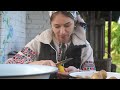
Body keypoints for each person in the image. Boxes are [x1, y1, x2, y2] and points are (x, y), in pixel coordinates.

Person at [5, 11, 96, 79]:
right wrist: (37, 64)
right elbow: (10, 64)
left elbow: (93, 75)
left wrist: (77, 73)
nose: (62, 32)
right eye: (57, 26)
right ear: (51, 25)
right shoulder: (40, 41)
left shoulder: (85, 47)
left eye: (67, 25)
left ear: (75, 23)